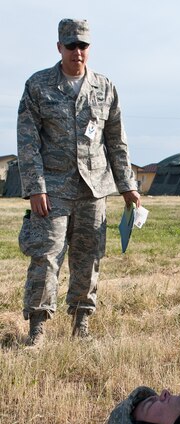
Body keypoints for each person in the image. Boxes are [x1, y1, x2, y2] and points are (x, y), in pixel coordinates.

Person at [17, 18, 141, 346]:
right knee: (45, 256)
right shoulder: (38, 86)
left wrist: (128, 186)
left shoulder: (105, 88)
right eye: (70, 45)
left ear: (89, 47)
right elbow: (27, 141)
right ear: (59, 47)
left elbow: (116, 141)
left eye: (82, 45)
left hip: (93, 190)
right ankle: (37, 330)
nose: (77, 51)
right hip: (53, 189)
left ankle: (81, 325)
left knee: (89, 259)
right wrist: (35, 186)